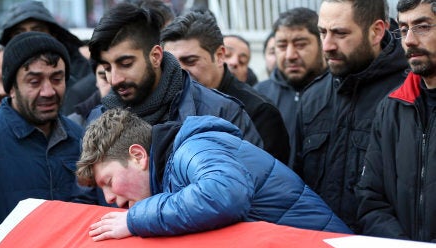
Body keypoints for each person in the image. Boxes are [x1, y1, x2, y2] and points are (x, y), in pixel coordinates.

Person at [77, 108, 352, 241]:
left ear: (138, 156)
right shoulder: (176, 164)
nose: (109, 198)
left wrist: (136, 219)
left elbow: (225, 196)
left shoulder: (194, 148)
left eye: (109, 182)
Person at [0, 32, 98, 248]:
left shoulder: (80, 138)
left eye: (57, 79)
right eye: (34, 82)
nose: (48, 91)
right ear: (11, 87)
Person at [294, 0, 407, 232]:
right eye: (322, 32)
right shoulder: (313, 97)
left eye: (340, 33)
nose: (326, 45)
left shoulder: (408, 96)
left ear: (376, 31)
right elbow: (295, 184)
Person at [87, 2, 263, 147]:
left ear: (155, 56)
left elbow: (257, 182)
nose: (115, 80)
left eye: (126, 64)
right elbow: (86, 188)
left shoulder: (221, 112)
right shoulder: (97, 120)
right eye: (107, 69)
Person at [161, 10, 290, 164]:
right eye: (172, 64)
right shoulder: (161, 104)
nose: (179, 72)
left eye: (190, 61)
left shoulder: (259, 112)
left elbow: (268, 181)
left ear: (220, 55)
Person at [356, 0, 436, 242]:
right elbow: (370, 199)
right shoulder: (391, 108)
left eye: (422, 26)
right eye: (403, 29)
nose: (409, 40)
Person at [254, 8, 328, 168]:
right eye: (281, 46)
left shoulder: (340, 91)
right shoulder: (258, 96)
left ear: (322, 44)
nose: (290, 55)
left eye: (300, 45)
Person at [0, 0, 94, 111]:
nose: (29, 37)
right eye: (19, 32)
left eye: (37, 30)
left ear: (52, 34)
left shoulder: (80, 69)